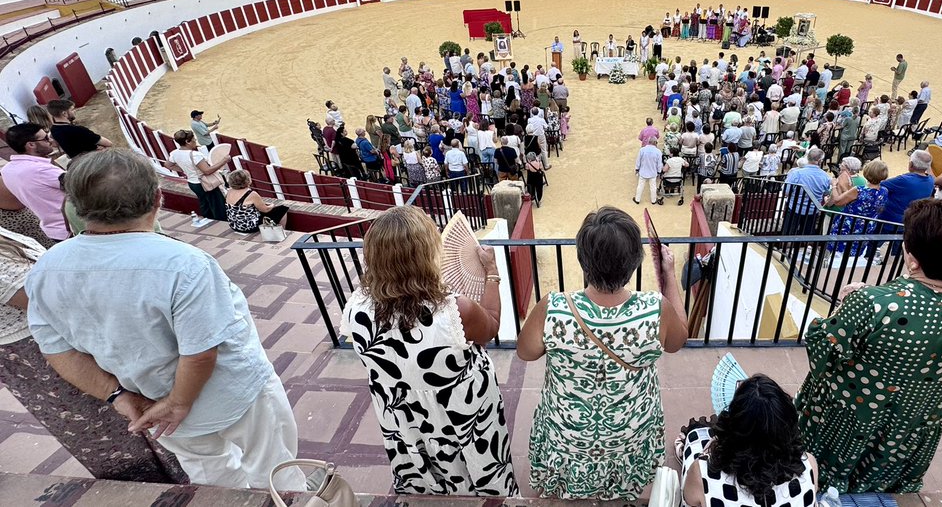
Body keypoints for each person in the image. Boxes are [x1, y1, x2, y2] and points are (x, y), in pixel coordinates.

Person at [25, 150, 304, 490]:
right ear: (158, 199)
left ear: (77, 206)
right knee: (276, 470)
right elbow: (200, 351)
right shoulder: (184, 264)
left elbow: (57, 350)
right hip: (231, 395)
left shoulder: (46, 269)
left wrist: (118, 397)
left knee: (212, 478)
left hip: (151, 402)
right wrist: (179, 403)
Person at [795, 199, 942, 493]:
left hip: (851, 414)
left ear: (913, 260)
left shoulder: (871, 303)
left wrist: (847, 306)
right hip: (916, 415)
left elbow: (822, 353)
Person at [339, 207, 517, 495]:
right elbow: (491, 326)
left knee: (423, 472)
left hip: (402, 414)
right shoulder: (453, 310)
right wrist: (492, 272)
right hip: (460, 411)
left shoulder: (356, 308)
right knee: (480, 469)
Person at [517, 207, 688, 499]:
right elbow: (677, 340)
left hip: (569, 431)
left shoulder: (554, 307)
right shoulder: (655, 309)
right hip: (629, 428)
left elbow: (525, 352)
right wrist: (669, 274)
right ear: (635, 261)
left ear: (583, 260)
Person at [0, 226, 187, 483]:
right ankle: (158, 487)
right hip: (41, 354)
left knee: (141, 417)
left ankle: (176, 477)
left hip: (69, 335)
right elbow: (44, 300)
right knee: (113, 436)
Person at [678, 375, 818, 507]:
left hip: (710, 473)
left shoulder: (702, 472)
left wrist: (709, 450)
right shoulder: (809, 464)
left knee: (694, 436)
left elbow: (689, 501)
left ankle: (685, 446)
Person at [1, 124, 69, 242]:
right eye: (45, 139)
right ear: (31, 145)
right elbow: (82, 186)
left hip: (53, 231)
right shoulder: (42, 170)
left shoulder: (7, 170)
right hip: (70, 226)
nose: (51, 141)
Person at [827, 159, 890, 259]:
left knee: (838, 254)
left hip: (848, 226)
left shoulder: (859, 190)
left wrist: (834, 185)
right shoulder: (884, 191)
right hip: (866, 227)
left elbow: (838, 201)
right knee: (854, 255)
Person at [782, 148, 831, 235]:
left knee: (788, 234)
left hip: (794, 208)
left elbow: (786, 191)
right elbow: (826, 193)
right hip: (813, 210)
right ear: (820, 161)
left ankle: (786, 245)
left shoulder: (796, 173)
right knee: (806, 234)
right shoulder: (825, 176)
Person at [878, 150, 934, 225]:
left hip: (889, 221)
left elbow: (879, 184)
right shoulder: (931, 180)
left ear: (911, 164)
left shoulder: (904, 180)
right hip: (910, 221)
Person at [224, 170, 289, 234]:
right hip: (249, 227)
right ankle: (281, 232)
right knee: (283, 209)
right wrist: (272, 205)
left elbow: (241, 207)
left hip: (235, 226)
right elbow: (265, 210)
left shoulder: (229, 191)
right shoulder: (251, 194)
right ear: (247, 180)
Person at [47, 99, 111, 158]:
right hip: (92, 160)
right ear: (64, 113)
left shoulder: (53, 129)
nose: (74, 111)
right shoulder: (78, 130)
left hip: (76, 163)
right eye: (72, 110)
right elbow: (108, 143)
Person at [634, 140, 664, 205]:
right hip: (653, 172)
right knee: (653, 187)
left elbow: (638, 160)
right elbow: (659, 164)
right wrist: (659, 172)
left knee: (640, 186)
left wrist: (637, 169)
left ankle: (637, 199)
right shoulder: (658, 152)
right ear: (655, 143)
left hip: (643, 171)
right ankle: (653, 200)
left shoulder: (642, 150)